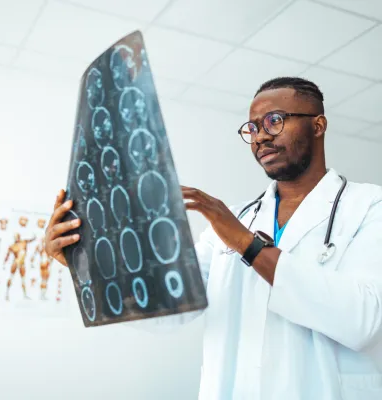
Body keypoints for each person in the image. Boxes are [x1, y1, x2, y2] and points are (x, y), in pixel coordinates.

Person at [45, 77, 382, 399]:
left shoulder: (368, 207)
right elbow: (169, 307)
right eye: (252, 127)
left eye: (274, 121)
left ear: (318, 125)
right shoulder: (236, 219)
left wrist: (246, 244)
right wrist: (83, 263)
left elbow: (363, 321)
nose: (260, 137)